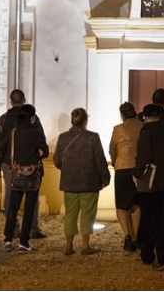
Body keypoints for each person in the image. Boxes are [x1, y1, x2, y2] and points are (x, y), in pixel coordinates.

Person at [54, 108, 110, 256]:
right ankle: (85, 246)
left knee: (70, 214)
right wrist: (105, 178)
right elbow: (100, 159)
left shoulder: (63, 137)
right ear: (85, 121)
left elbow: (57, 161)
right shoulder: (93, 137)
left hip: (69, 181)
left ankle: (69, 246)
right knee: (88, 213)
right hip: (89, 181)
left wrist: (68, 170)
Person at [0, 89, 47, 239]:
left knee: (10, 196)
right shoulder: (32, 118)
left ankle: (13, 229)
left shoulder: (3, 119)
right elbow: (40, 137)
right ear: (24, 99)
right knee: (32, 194)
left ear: (11, 101)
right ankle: (32, 228)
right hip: (29, 162)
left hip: (8, 163)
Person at [135, 104, 164, 270]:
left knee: (150, 219)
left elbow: (143, 158)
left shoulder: (147, 133)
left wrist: (137, 174)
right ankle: (147, 254)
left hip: (149, 181)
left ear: (145, 117)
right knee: (157, 216)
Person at [110, 101, 143, 251]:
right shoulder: (142, 127)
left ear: (122, 114)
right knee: (136, 204)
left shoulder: (118, 129)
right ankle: (136, 237)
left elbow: (112, 150)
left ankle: (127, 236)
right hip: (139, 170)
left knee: (122, 205)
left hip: (122, 168)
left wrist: (115, 161)